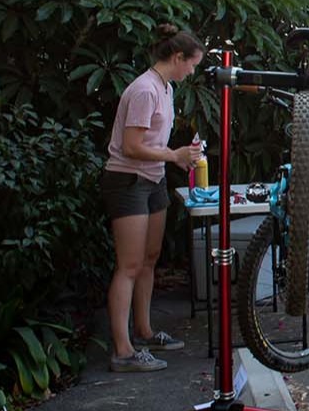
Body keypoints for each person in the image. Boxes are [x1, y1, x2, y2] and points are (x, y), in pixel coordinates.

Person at [100, 24, 204, 373]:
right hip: (128, 181)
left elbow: (153, 143)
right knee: (128, 265)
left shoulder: (165, 89)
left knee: (149, 258)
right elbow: (131, 146)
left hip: (152, 180)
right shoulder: (145, 90)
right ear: (177, 58)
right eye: (191, 65)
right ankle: (122, 350)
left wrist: (180, 154)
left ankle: (143, 331)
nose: (192, 72)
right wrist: (174, 157)